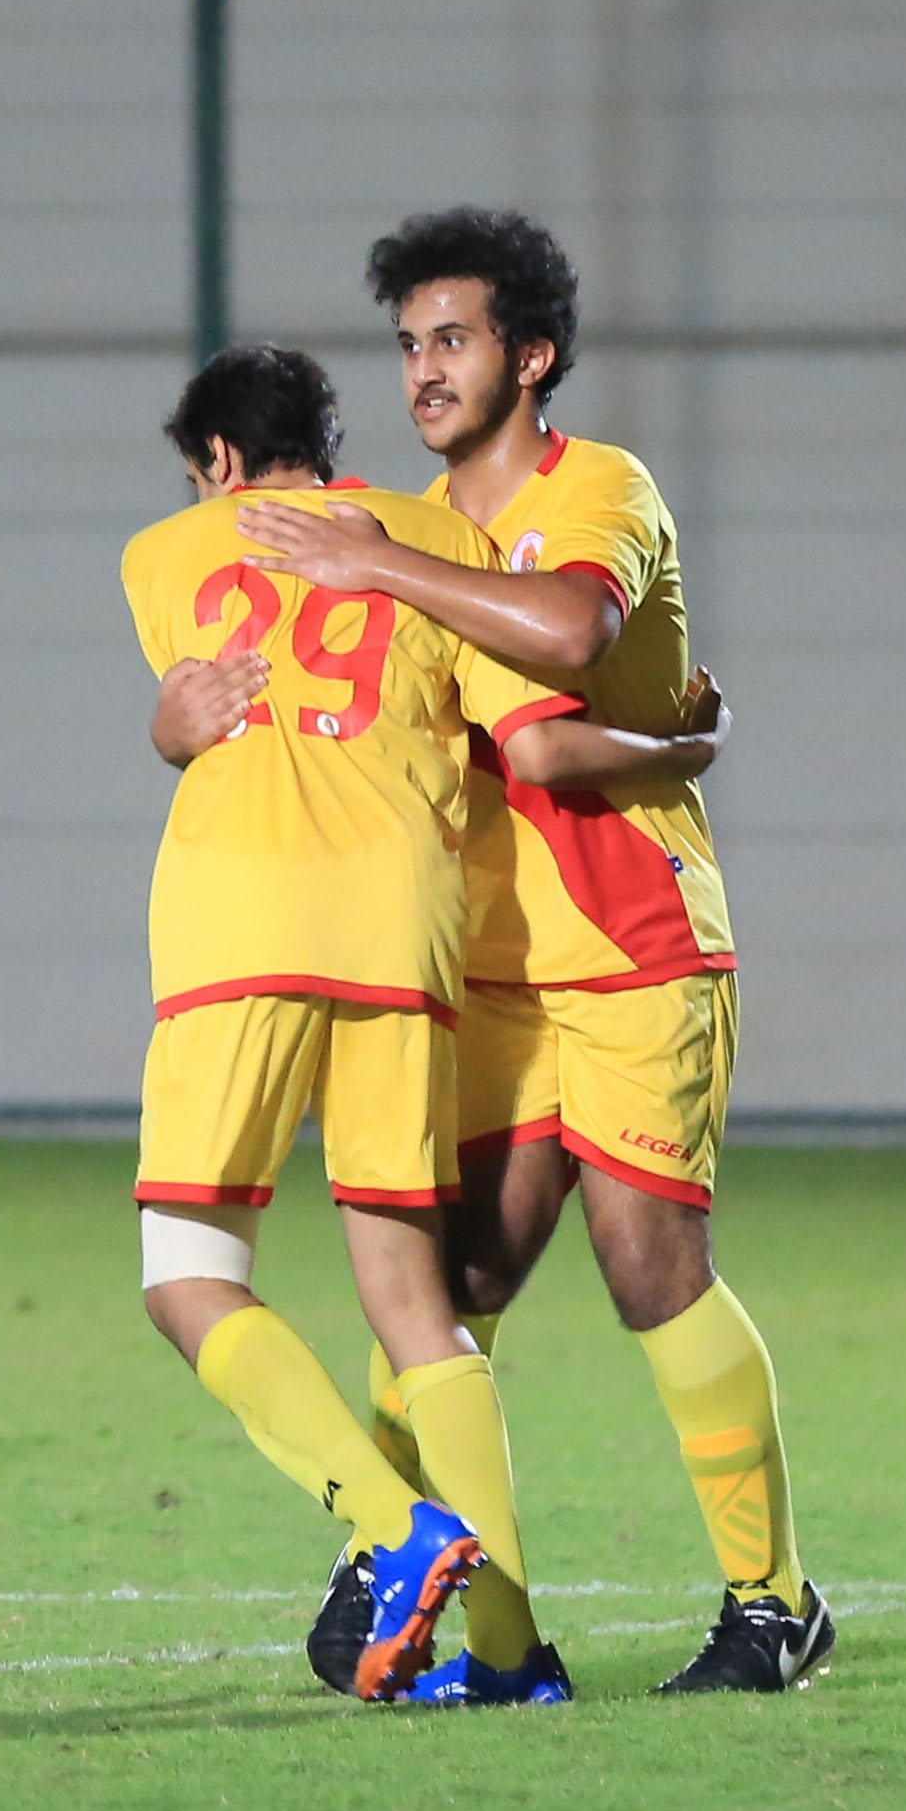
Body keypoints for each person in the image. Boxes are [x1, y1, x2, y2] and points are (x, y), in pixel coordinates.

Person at [230, 209, 834, 1700]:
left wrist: (388, 568)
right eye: (408, 346)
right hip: (491, 969)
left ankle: (774, 1605)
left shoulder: (598, 489)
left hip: (633, 940)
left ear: (534, 355)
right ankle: (414, 1572)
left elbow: (567, 640)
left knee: (651, 1268)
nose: (424, 372)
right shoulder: (411, 530)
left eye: (453, 339)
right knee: (454, 1278)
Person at [134, 342, 727, 1707]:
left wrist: (168, 733)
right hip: (408, 945)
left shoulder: (158, 554)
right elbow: (536, 737)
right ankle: (512, 1656)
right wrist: (689, 744)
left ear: (218, 461)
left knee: (185, 1270)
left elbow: (206, 709)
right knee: (417, 1306)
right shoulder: (440, 544)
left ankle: (389, 1525)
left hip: (241, 932)